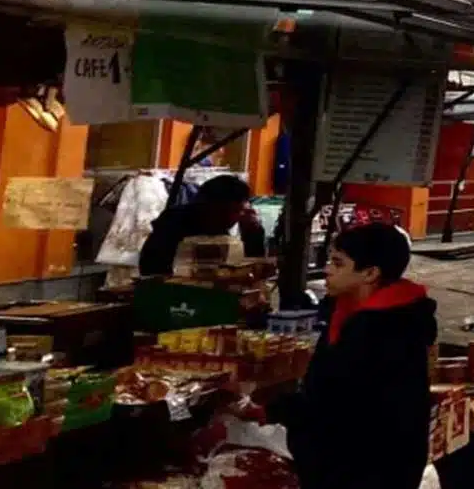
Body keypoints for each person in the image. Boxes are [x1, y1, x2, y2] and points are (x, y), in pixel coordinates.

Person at [288, 223, 437, 489]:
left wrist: (272, 410)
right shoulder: (353, 313)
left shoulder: (381, 329)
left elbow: (336, 400)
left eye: (338, 263)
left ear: (369, 273)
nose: (327, 270)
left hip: (366, 468)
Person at [138, 174, 266, 277]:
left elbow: (251, 270)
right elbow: (151, 269)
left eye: (240, 211)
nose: (238, 217)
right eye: (235, 211)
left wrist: (253, 233)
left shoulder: (223, 230)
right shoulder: (173, 224)